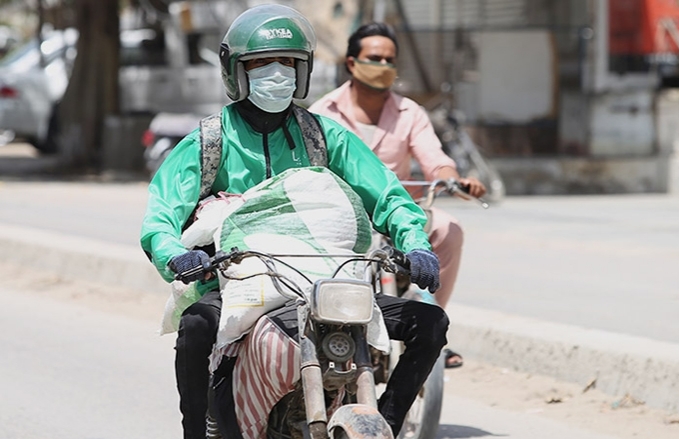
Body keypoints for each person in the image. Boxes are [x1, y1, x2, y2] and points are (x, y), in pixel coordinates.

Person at [139, 5, 447, 439]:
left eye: (288, 63)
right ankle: (197, 430)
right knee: (195, 326)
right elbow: (160, 216)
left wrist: (415, 242)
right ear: (235, 71)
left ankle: (386, 425)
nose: (277, 73)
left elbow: (388, 195)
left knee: (430, 323)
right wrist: (176, 254)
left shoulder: (325, 135)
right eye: (262, 63)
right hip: (237, 282)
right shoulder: (208, 142)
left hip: (326, 278)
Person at [308, 22, 486, 369]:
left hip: (397, 213)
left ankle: (433, 326)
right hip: (341, 216)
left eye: (390, 60)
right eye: (375, 58)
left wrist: (453, 180)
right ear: (351, 63)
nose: (384, 67)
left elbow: (435, 160)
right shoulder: (322, 113)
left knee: (449, 229)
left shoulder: (410, 112)